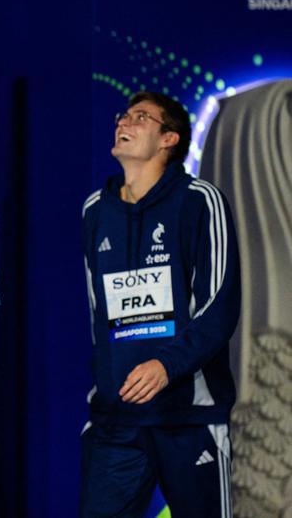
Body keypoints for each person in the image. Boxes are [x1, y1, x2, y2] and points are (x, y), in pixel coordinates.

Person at [79, 91, 240, 517]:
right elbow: (99, 315)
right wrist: (108, 390)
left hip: (189, 417)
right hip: (117, 420)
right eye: (123, 116)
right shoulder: (95, 210)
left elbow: (219, 307)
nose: (124, 123)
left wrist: (166, 366)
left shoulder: (200, 202)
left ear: (169, 139)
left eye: (141, 118)